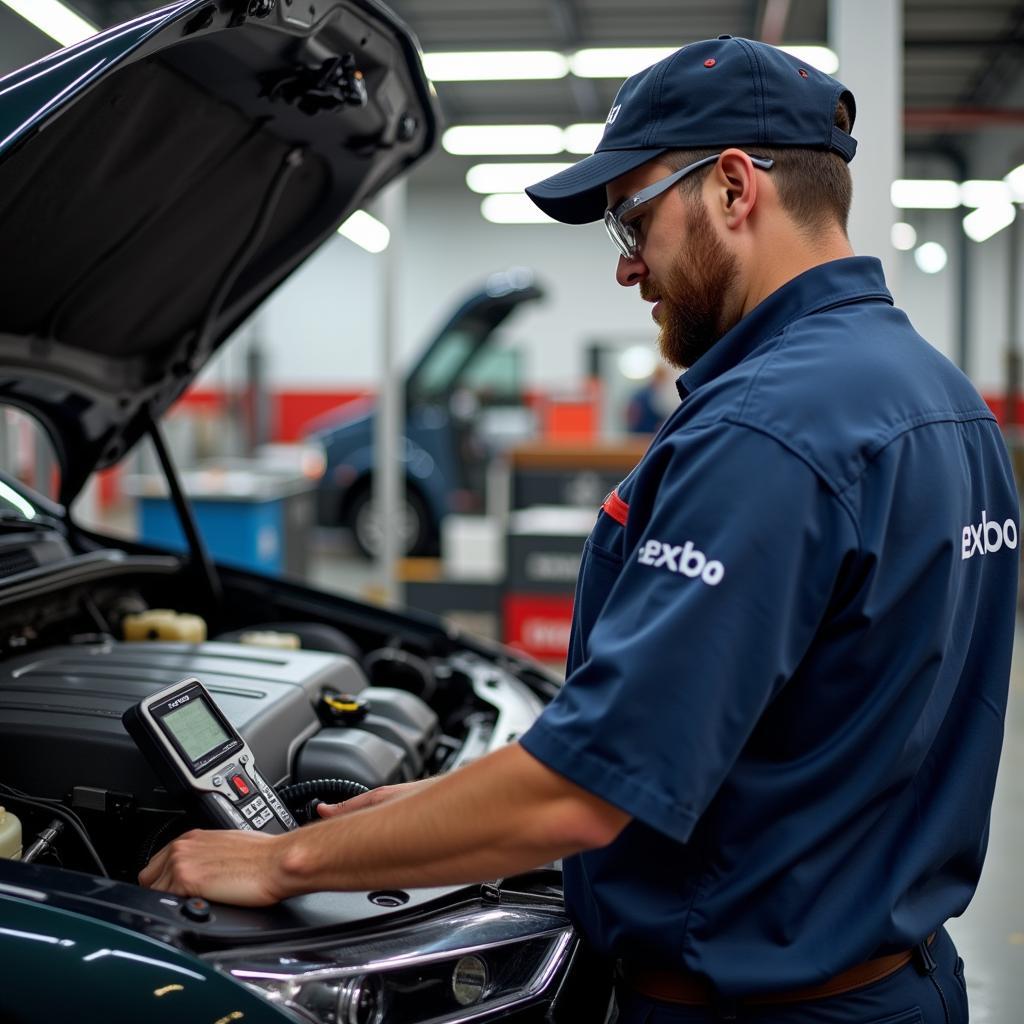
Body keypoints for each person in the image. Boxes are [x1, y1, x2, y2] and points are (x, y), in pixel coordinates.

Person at [140, 36, 1019, 1023]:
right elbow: (786, 734)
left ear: (733, 189)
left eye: (632, 217)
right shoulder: (944, 403)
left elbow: (579, 796)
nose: (626, 265)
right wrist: (422, 810)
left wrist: (280, 857)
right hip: (899, 979)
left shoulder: (764, 433)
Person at [625, 362, 671, 434]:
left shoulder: (659, 395)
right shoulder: (642, 395)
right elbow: (631, 416)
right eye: (660, 377)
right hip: (641, 436)